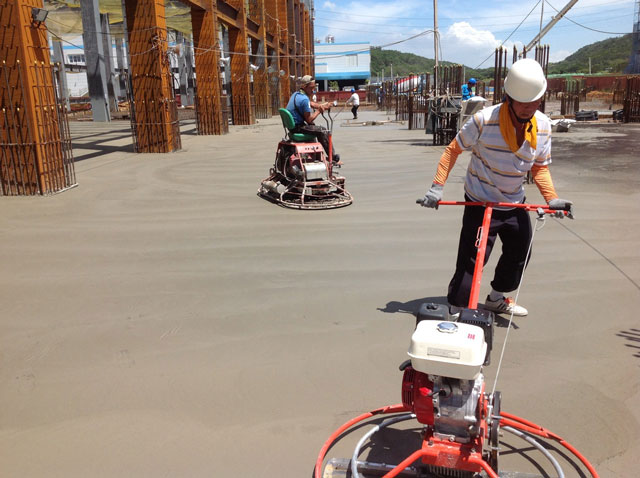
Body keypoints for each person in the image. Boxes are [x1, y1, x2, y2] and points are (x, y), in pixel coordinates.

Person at [421, 58, 573, 317]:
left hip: (514, 201)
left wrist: (552, 198)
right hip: (480, 200)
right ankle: (458, 308)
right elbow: (452, 150)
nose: (528, 108)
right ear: (509, 97)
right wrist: (437, 187)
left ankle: (496, 298)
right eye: (522, 103)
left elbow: (539, 167)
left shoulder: (544, 126)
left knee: (520, 252)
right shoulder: (483, 120)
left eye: (534, 102)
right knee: (472, 258)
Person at [286, 75, 340, 163]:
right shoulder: (304, 99)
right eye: (311, 88)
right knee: (323, 131)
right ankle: (333, 158)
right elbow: (309, 119)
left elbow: (310, 103)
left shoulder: (296, 94)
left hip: (292, 127)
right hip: (298, 127)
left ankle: (317, 156)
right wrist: (319, 110)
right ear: (304, 86)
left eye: (314, 87)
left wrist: (320, 105)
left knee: (314, 128)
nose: (313, 90)